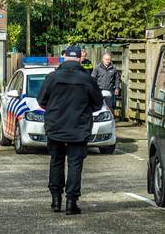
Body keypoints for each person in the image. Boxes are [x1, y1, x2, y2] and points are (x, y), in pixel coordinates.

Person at [37, 45, 103, 215]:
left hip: (55, 126)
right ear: (80, 57)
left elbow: (41, 101)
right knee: (75, 163)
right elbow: (98, 103)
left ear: (64, 56)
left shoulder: (52, 77)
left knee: (56, 160)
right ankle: (71, 202)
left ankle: (56, 200)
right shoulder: (87, 79)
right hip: (79, 127)